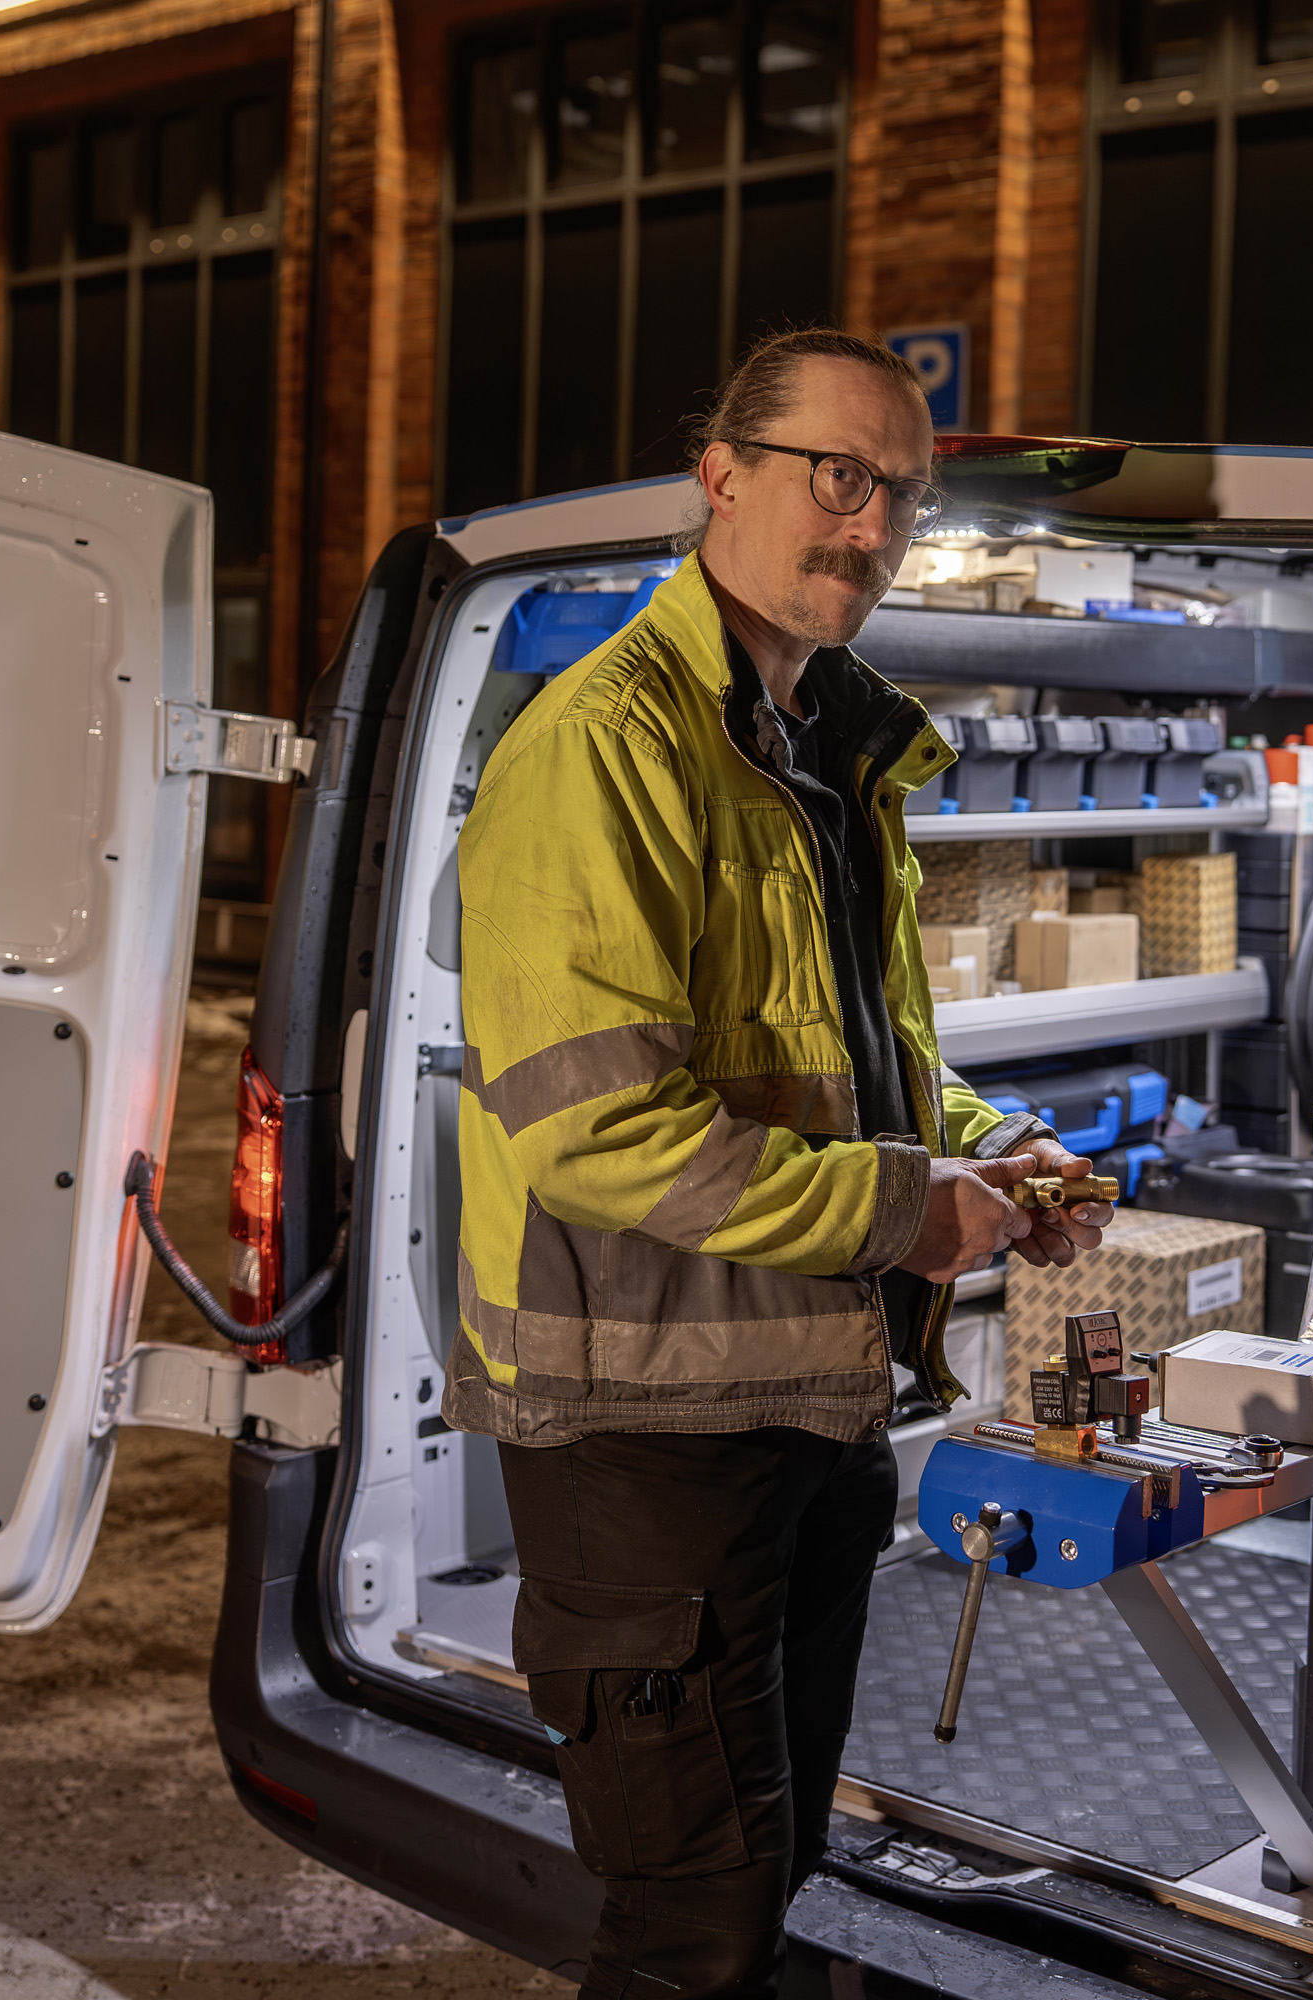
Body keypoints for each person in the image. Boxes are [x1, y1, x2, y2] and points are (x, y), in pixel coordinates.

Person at [448, 327, 1114, 2000]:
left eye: (904, 495)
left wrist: (989, 1148)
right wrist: (906, 1212)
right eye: (839, 475)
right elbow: (597, 1131)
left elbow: (854, 1062)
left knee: (772, 1863)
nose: (873, 526)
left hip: (810, 1406)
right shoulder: (607, 746)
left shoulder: (825, 752)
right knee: (694, 1922)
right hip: (649, 1434)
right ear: (722, 473)